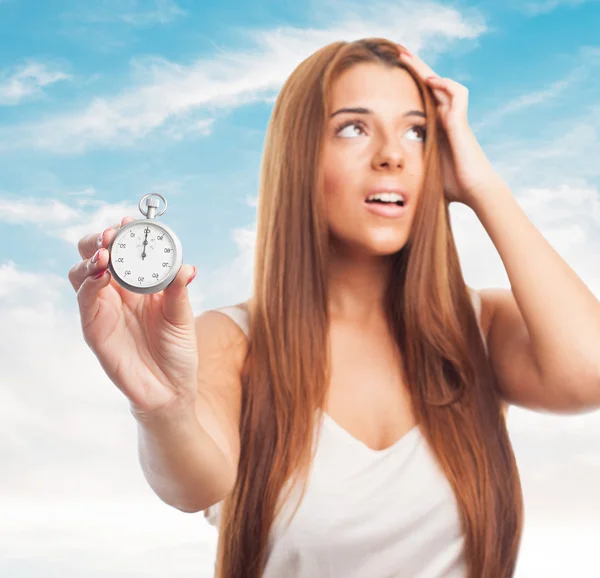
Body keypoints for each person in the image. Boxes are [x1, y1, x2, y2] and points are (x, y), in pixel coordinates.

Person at [69, 38, 600, 578]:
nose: (393, 154)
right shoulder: (232, 341)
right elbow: (192, 484)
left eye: (417, 131)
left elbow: (590, 371)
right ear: (300, 156)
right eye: (354, 127)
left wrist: (482, 183)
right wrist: (162, 409)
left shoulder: (478, 329)